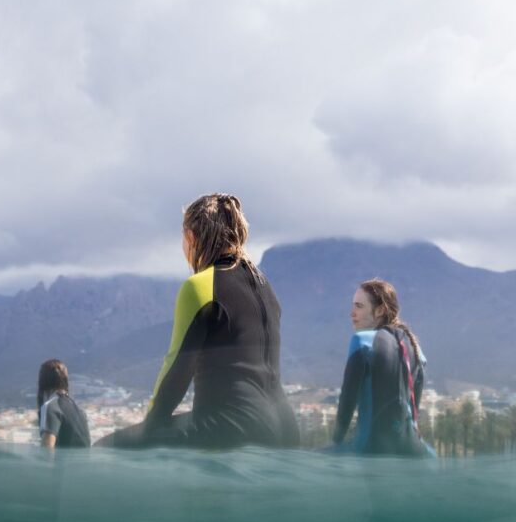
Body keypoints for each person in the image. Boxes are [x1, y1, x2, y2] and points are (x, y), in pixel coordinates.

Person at [97, 193, 299, 449]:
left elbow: (176, 371)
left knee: (106, 448)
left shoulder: (200, 287)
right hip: (285, 429)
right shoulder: (264, 285)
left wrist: (149, 430)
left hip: (232, 427)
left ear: (191, 237)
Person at [332, 278, 432, 456]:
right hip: (417, 453)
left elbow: (347, 401)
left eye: (359, 306)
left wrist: (336, 442)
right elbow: (413, 411)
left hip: (372, 450)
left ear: (379, 310)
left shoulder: (362, 342)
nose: (351, 313)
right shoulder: (418, 352)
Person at [37, 359, 91, 449]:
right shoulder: (79, 410)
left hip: (62, 462)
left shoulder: (51, 407)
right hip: (83, 462)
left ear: (43, 382)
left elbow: (47, 450)